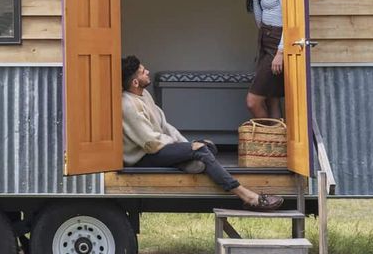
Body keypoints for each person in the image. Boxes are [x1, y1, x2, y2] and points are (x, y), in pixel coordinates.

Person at [121, 56, 284, 211]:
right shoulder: (128, 104)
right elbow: (150, 142)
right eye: (143, 72)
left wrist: (186, 146)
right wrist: (188, 148)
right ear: (135, 82)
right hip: (144, 156)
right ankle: (248, 197)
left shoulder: (144, 95)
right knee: (201, 151)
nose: (148, 71)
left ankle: (188, 162)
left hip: (160, 147)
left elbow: (165, 125)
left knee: (208, 146)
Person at [244, 0, 284, 120]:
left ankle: (271, 143)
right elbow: (261, 24)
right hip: (265, 43)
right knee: (272, 100)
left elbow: (290, 20)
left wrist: (280, 52)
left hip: (276, 45)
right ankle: (278, 145)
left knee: (253, 101)